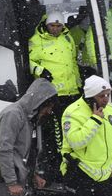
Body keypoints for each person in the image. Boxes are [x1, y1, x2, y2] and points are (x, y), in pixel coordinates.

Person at [28, 11, 81, 182]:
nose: (56, 29)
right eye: (53, 25)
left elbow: (72, 63)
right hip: (53, 94)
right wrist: (40, 71)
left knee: (72, 131)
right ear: (46, 24)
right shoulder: (37, 40)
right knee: (57, 134)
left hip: (71, 93)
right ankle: (57, 167)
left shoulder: (68, 38)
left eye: (59, 26)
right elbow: (29, 62)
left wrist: (78, 85)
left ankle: (70, 165)